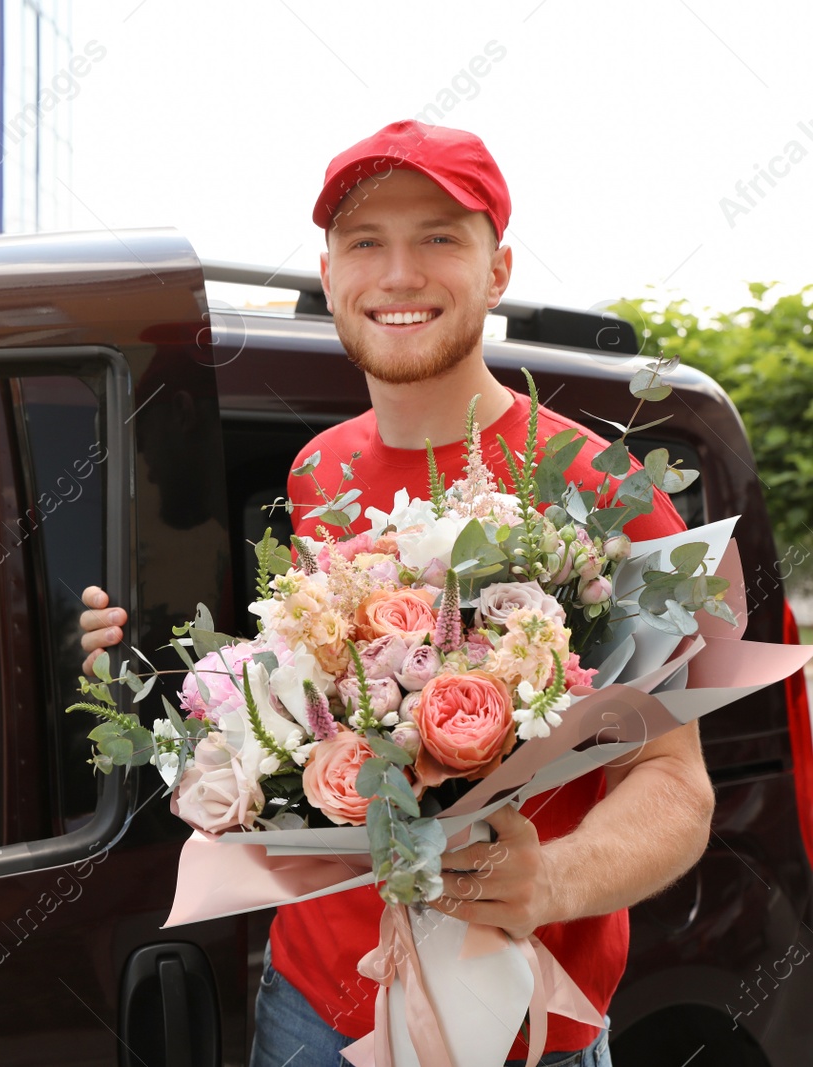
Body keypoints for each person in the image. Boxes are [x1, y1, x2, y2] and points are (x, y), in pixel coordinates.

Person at [79, 120, 714, 1067]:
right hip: (313, 1003)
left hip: (527, 1025)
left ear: (498, 270)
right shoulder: (314, 469)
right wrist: (141, 671)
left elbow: (675, 783)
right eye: (365, 242)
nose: (399, 274)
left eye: (439, 238)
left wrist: (548, 881)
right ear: (330, 274)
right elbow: (308, 705)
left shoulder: (607, 489)